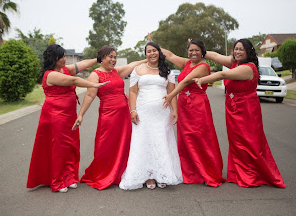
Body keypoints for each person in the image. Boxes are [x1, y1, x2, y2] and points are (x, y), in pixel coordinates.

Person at [194, 39, 286, 188]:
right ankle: (238, 172)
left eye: (241, 49)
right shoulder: (236, 63)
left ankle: (252, 174)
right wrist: (200, 49)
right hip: (233, 108)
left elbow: (222, 75)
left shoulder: (248, 68)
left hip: (247, 110)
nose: (237, 52)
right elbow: (216, 56)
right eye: (235, 48)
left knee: (249, 143)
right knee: (236, 142)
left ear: (248, 52)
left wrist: (202, 79)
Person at [27, 44, 109, 193]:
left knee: (71, 145)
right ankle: (58, 181)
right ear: (54, 58)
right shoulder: (50, 74)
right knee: (59, 147)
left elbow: (82, 64)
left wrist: (98, 59)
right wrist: (94, 84)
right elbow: (74, 81)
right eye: (62, 56)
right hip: (55, 115)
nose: (65, 59)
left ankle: (69, 177)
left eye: (65, 56)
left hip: (69, 114)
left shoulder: (65, 70)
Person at [149, 35, 225, 187]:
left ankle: (206, 171)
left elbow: (184, 81)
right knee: (186, 139)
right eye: (191, 50)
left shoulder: (203, 66)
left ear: (203, 52)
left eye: (197, 50)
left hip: (197, 106)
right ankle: (189, 170)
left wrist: (171, 95)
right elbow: (170, 55)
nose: (193, 53)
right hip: (184, 106)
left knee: (200, 138)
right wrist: (156, 47)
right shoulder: (187, 63)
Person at [72, 46, 147, 190]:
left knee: (125, 143)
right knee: (106, 144)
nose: (113, 60)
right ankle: (105, 174)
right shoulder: (95, 74)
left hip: (123, 114)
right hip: (108, 115)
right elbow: (89, 95)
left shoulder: (116, 72)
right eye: (110, 57)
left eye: (114, 57)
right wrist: (81, 114)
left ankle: (123, 172)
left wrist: (147, 58)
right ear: (102, 58)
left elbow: (132, 65)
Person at [119, 42, 183, 190]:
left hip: (162, 113)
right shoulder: (138, 70)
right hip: (143, 112)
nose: (152, 53)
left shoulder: (167, 71)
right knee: (144, 141)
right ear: (145, 54)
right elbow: (133, 92)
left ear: (159, 52)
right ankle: (148, 176)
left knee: (161, 141)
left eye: (154, 50)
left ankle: (162, 174)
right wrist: (133, 110)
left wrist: (175, 111)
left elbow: (171, 93)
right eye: (149, 51)